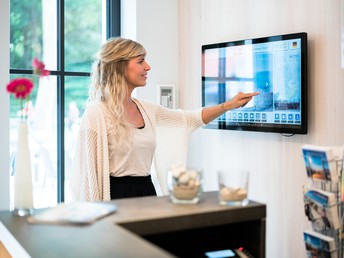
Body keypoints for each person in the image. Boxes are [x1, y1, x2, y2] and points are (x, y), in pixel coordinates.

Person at [70, 37, 259, 202]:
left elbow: (189, 119)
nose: (148, 67)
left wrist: (228, 106)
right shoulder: (96, 113)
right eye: (141, 61)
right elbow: (89, 179)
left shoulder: (147, 109)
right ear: (120, 66)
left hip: (147, 193)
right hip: (115, 198)